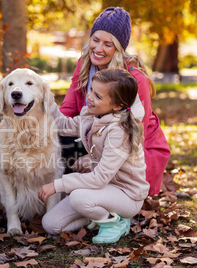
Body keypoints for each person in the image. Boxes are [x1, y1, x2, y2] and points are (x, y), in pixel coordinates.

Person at [59, 7, 170, 195]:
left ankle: (103, 201)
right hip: (95, 136)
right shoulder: (85, 64)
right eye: (95, 40)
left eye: (107, 44)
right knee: (56, 142)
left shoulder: (135, 79)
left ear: (119, 48)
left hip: (131, 152)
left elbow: (134, 135)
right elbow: (67, 110)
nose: (98, 49)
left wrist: (94, 158)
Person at [38, 68, 150, 243]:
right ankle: (95, 214)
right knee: (51, 225)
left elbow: (99, 179)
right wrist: (46, 97)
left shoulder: (119, 132)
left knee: (77, 196)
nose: (90, 97)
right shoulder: (94, 115)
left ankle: (115, 222)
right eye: (91, 90)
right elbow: (62, 125)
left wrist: (57, 185)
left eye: (98, 96)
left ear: (117, 106)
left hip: (126, 195)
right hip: (100, 191)